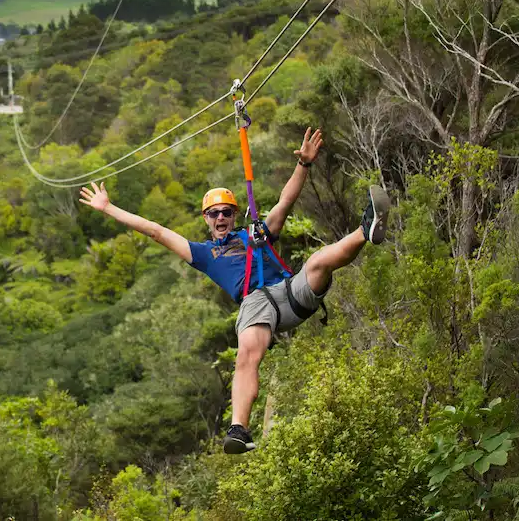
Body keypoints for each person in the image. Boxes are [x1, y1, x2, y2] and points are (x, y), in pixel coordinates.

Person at [79, 127, 390, 454]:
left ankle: (365, 229)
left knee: (317, 263)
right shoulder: (203, 254)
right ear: (206, 219)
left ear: (234, 214)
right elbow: (156, 231)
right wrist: (108, 208)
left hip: (289, 290)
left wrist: (305, 165)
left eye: (227, 211)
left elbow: (285, 202)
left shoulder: (255, 233)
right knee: (246, 354)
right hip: (256, 304)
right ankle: (239, 430)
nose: (221, 217)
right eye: (214, 213)